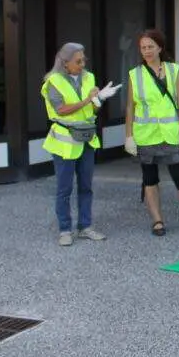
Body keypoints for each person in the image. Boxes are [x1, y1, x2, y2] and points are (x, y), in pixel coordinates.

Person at [124, 29, 179, 237]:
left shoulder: (173, 69)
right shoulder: (135, 74)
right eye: (143, 47)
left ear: (160, 47)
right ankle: (157, 220)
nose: (147, 51)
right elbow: (130, 107)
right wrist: (129, 135)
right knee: (149, 178)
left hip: (170, 133)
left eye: (151, 46)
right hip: (146, 134)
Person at [41, 42, 120, 246]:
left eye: (84, 59)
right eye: (78, 61)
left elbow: (92, 111)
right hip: (65, 142)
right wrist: (88, 100)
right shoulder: (53, 81)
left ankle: (85, 227)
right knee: (64, 188)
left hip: (86, 139)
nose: (83, 64)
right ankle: (65, 230)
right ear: (65, 63)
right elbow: (61, 110)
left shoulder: (89, 77)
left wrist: (99, 100)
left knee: (86, 186)